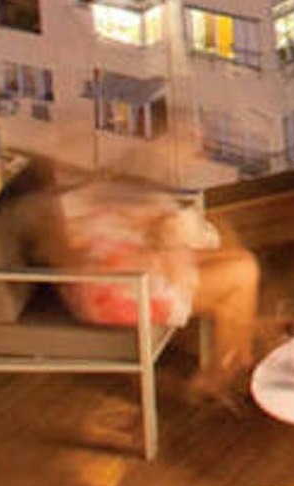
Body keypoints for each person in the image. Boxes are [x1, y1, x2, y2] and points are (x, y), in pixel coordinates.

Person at [16, 168, 269, 403]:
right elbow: (74, 263)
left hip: (137, 264)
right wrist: (141, 252)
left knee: (241, 260)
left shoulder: (83, 186)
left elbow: (117, 219)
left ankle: (230, 368)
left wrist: (149, 230)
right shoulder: (51, 209)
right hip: (116, 291)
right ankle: (228, 372)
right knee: (241, 273)